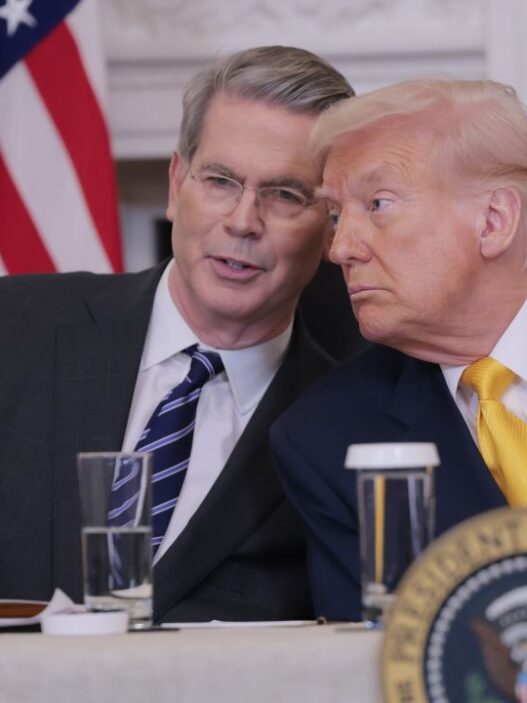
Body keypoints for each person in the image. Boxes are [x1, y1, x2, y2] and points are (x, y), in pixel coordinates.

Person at [0, 46, 355, 622]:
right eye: (220, 180)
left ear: (334, 227)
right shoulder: (14, 330)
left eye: (285, 195)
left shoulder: (349, 425)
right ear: (176, 183)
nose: (242, 221)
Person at [271, 78, 527, 621]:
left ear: (494, 221)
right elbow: (376, 653)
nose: (340, 248)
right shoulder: (325, 437)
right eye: (336, 216)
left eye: (378, 204)